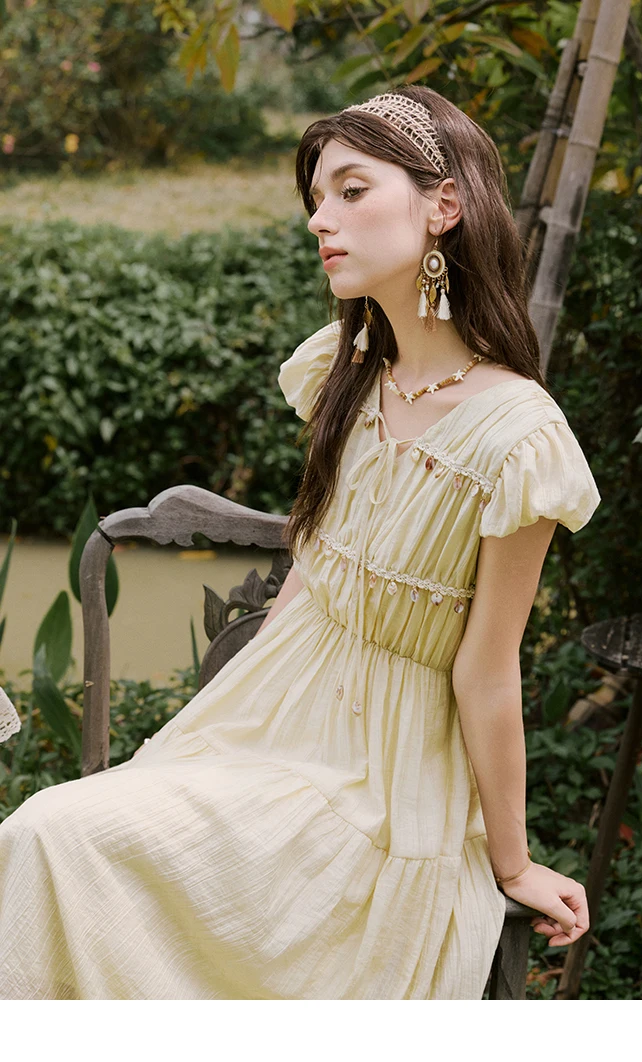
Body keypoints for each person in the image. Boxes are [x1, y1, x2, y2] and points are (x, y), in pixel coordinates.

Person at [0, 85, 600, 1000]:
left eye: (352, 191)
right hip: (272, 725)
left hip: (386, 784)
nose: (322, 219)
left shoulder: (519, 437)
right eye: (317, 198)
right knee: (48, 833)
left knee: (54, 835)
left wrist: (511, 862)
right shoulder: (349, 372)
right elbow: (307, 581)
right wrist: (207, 734)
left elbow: (487, 672)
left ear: (444, 205)